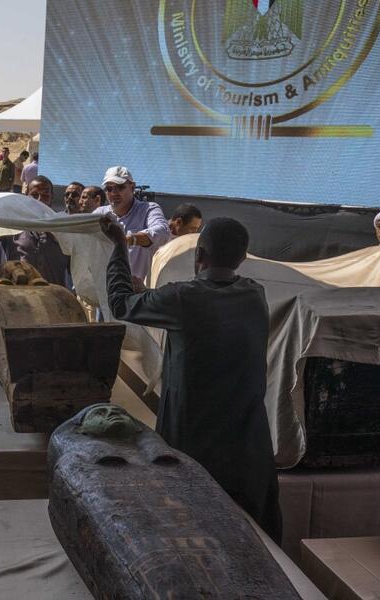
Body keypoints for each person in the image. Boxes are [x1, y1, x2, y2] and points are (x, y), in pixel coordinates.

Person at [103, 215, 281, 542]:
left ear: (199, 254)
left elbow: (120, 304)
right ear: (242, 258)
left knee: (193, 525)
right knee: (248, 533)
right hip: (246, 441)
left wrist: (118, 246)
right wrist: (152, 294)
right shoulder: (255, 294)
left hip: (194, 440)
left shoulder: (181, 298)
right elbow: (205, 307)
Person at [94, 166, 170, 281]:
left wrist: (130, 239)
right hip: (104, 287)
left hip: (138, 288)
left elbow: (162, 232)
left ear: (133, 187)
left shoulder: (148, 209)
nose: (114, 193)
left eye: (120, 187)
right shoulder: (99, 214)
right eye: (109, 189)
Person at [12, 175, 69, 287]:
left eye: (45, 196)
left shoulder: (63, 227)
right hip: (21, 293)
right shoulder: (12, 226)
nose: (39, 200)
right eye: (34, 195)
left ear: (51, 197)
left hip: (54, 293)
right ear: (26, 196)